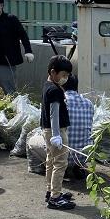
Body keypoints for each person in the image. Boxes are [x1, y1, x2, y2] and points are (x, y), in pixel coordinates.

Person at [41, 55, 75, 210]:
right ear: (53, 72)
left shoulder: (48, 85)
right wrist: (56, 135)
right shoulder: (55, 90)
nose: (65, 79)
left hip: (47, 130)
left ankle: (51, 191)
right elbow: (54, 113)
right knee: (60, 163)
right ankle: (55, 197)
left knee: (51, 161)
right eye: (64, 75)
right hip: (56, 131)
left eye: (67, 76)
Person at [62, 74, 94, 179]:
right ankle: (78, 166)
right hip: (85, 154)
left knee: (34, 140)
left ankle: (62, 169)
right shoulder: (89, 103)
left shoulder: (62, 102)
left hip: (63, 155)